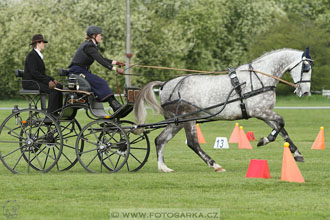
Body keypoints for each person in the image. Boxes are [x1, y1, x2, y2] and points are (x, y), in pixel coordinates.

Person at [69, 25, 125, 111]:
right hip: (77, 71)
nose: (101, 36)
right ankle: (114, 104)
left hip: (83, 70)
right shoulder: (89, 46)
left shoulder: (91, 45)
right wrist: (115, 69)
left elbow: (101, 58)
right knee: (101, 82)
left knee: (100, 82)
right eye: (99, 35)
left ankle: (114, 103)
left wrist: (116, 62)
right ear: (93, 36)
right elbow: (100, 61)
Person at [23, 34, 63, 116]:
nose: (44, 44)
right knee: (54, 89)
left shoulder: (37, 55)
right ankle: (51, 114)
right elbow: (34, 73)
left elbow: (41, 74)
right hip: (30, 83)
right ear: (38, 43)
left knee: (59, 86)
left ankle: (57, 110)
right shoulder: (31, 56)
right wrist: (48, 81)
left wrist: (52, 79)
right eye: (43, 42)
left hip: (36, 81)